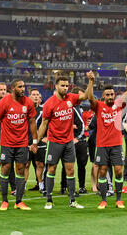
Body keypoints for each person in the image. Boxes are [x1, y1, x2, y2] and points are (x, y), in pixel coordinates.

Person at [37, 73, 94, 210]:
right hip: (54, 142)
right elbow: (44, 124)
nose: (65, 88)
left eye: (67, 86)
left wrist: (91, 81)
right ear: (56, 87)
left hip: (68, 142)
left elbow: (86, 96)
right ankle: (49, 200)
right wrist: (36, 141)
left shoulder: (71, 98)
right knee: (52, 169)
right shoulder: (49, 103)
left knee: (70, 170)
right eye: (62, 86)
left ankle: (72, 200)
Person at [0, 79, 38, 211]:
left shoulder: (28, 102)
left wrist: (34, 141)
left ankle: (19, 201)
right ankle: (4, 201)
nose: (23, 89)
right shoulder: (4, 102)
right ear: (13, 88)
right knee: (5, 169)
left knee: (21, 169)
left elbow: (32, 122)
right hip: (6, 143)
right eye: (20, 87)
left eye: (24, 87)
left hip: (22, 143)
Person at [90, 65, 127, 209]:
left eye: (112, 94)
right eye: (107, 95)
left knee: (119, 171)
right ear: (103, 96)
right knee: (102, 171)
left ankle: (119, 199)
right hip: (102, 144)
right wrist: (91, 82)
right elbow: (89, 97)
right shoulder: (99, 106)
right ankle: (103, 200)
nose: (110, 97)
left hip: (116, 144)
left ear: (114, 95)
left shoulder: (119, 104)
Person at [61, 87, 89, 195]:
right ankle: (64, 186)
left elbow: (81, 124)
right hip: (69, 140)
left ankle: (82, 186)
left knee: (82, 164)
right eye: (81, 95)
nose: (82, 97)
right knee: (67, 165)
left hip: (80, 140)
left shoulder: (80, 107)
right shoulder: (69, 106)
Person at [26, 88, 46, 194]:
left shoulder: (44, 110)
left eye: (37, 94)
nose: (36, 96)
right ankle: (22, 186)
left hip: (40, 143)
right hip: (26, 142)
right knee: (25, 164)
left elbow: (49, 124)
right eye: (33, 94)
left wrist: (45, 137)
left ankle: (41, 185)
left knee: (40, 164)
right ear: (29, 97)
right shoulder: (25, 109)